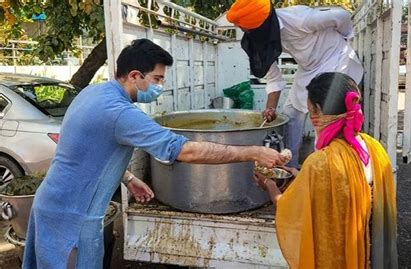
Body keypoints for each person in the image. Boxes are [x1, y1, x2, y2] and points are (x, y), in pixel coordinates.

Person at [22, 39, 287, 269]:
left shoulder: (93, 93)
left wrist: (126, 178)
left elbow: (84, 150)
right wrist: (253, 151)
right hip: (72, 220)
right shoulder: (121, 113)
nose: (161, 86)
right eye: (158, 79)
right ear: (135, 75)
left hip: (54, 205)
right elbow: (185, 150)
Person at [254, 72, 398, 268]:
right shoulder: (375, 148)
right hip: (371, 254)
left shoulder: (320, 163)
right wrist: (300, 176)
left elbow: (293, 214)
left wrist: (269, 185)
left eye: (310, 109)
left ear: (317, 111)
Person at [226, 0, 363, 168]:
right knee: (291, 114)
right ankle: (290, 167)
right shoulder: (259, 38)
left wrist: (346, 36)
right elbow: (274, 79)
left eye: (247, 30)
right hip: (308, 68)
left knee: (325, 119)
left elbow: (340, 15)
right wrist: (270, 108)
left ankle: (325, 169)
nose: (246, 33)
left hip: (335, 58)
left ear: (262, 25)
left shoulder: (299, 19)